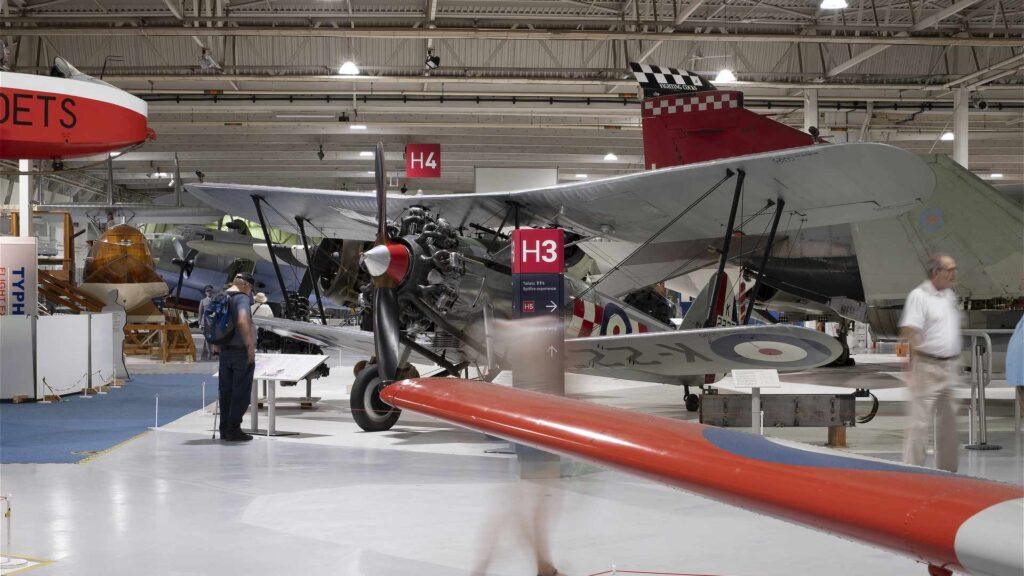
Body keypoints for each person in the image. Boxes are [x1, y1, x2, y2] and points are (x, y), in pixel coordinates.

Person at [899, 254, 962, 472]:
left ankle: (948, 472)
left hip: (949, 367)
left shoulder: (949, 295)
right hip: (927, 366)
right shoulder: (919, 296)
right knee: (920, 423)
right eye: (950, 270)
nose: (954, 274)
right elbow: (910, 330)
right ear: (936, 273)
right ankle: (912, 473)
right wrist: (914, 364)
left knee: (949, 424)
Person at [216, 273, 257, 442]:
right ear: (246, 285)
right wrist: (249, 346)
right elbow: (242, 320)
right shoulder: (241, 298)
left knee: (226, 392)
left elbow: (213, 322)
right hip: (240, 351)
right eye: (251, 289)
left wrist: (216, 345)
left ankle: (224, 429)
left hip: (224, 351)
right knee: (241, 392)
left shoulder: (221, 296)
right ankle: (234, 429)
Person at [197, 285, 215, 360]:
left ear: (212, 292)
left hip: (214, 322)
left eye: (210, 291)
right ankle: (209, 352)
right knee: (207, 338)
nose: (209, 292)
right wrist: (199, 323)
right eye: (207, 291)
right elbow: (200, 312)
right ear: (205, 293)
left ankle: (214, 351)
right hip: (205, 322)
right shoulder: (203, 301)